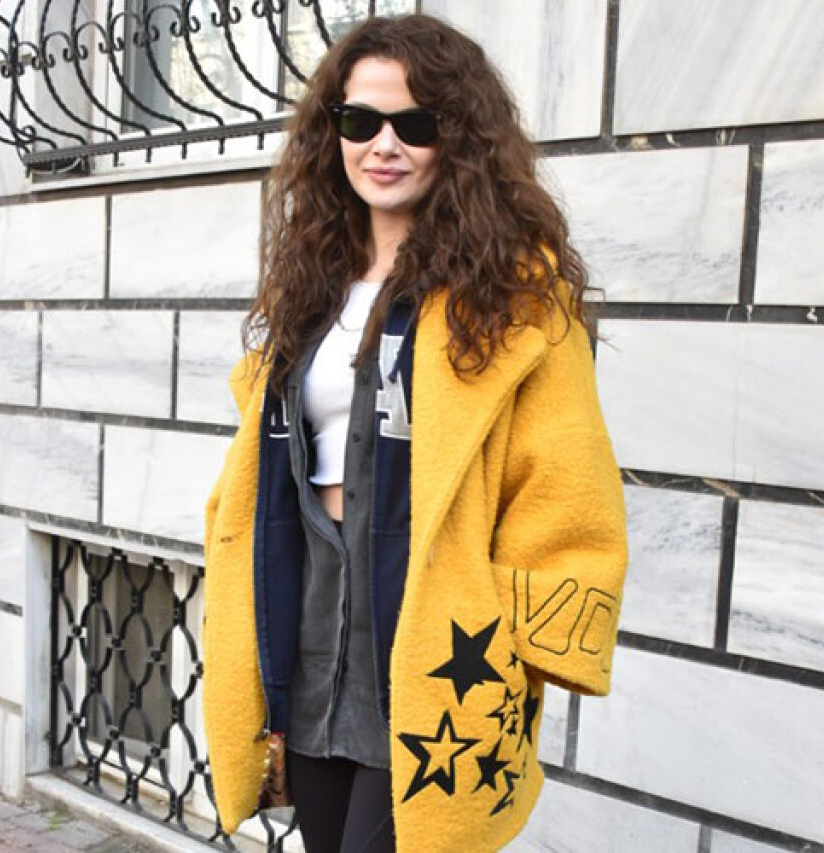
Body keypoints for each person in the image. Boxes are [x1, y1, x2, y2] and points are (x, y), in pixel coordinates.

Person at [202, 13, 627, 853]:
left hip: (434, 637)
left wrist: (516, 634)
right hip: (313, 621)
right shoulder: (312, 287)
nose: (384, 145)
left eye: (415, 123)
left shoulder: (512, 297)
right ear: (333, 134)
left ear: (457, 137)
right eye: (360, 121)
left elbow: (563, 479)